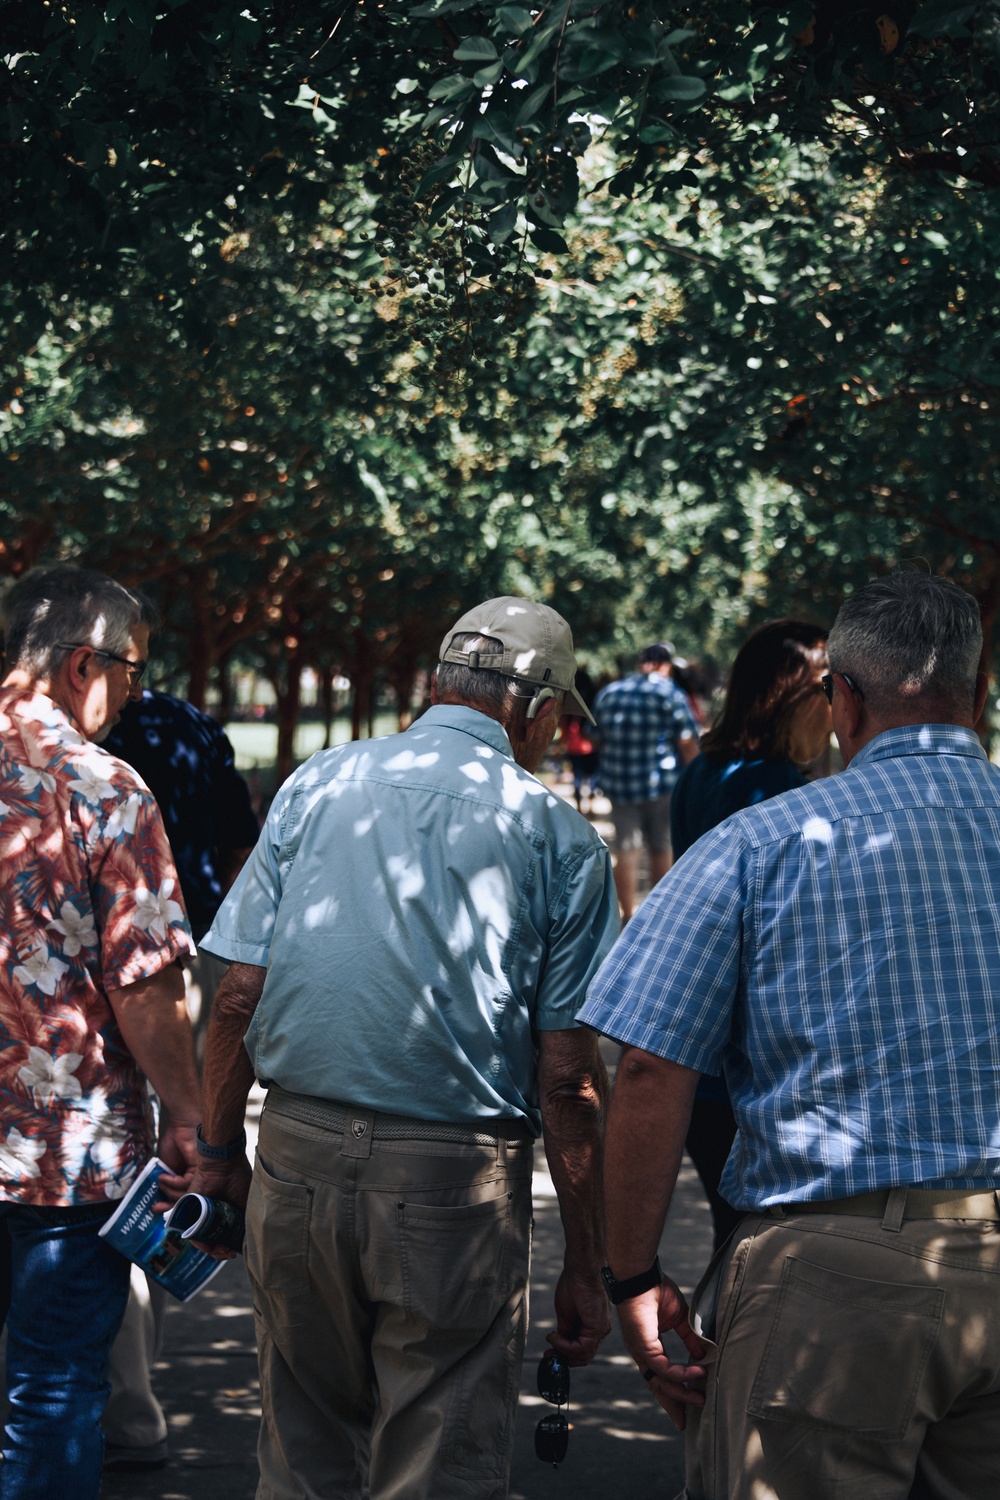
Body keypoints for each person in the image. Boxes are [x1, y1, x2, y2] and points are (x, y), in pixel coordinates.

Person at [580, 572, 1000, 1500]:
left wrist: (633, 1275)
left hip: (834, 1281)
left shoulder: (761, 841)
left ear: (841, 698)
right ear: (980, 695)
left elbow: (650, 1066)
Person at [189, 596, 619, 1500]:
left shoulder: (317, 783)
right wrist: (590, 1261)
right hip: (452, 1186)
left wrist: (223, 1153)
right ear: (536, 712)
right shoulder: (560, 838)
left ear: (437, 684)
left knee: (299, 1451)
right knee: (436, 1461)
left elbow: (235, 995)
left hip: (297, 1155)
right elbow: (569, 1076)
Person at [0, 565, 201, 1500]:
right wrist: (193, 1118)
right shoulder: (102, 787)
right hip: (61, 1161)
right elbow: (146, 986)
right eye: (132, 673)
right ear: (86, 664)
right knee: (51, 1387)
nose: (132, 695)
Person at [101, 689, 259, 1471]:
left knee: (119, 1184)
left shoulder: (87, 763)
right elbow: (240, 845)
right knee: (141, 1177)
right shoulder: (183, 729)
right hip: (180, 959)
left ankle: (123, 1407)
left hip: (123, 987)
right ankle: (129, 1406)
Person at [670, 619, 830, 1250]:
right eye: (830, 686)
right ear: (793, 695)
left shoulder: (703, 774)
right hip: (761, 1067)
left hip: (707, 1060)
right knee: (761, 1257)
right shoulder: (781, 797)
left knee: (733, 1242)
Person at [593, 642, 699, 920]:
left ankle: (626, 916)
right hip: (660, 787)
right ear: (665, 666)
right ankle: (658, 917)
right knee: (661, 848)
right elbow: (688, 743)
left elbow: (593, 736)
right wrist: (696, 778)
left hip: (620, 786)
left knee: (626, 850)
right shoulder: (670, 693)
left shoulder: (610, 693)